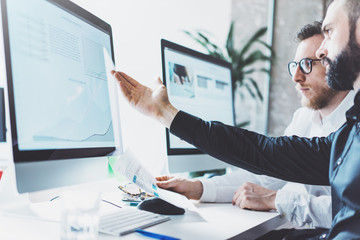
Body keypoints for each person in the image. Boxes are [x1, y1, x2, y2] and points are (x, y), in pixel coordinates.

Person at [112, 0, 360, 238]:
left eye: (330, 31)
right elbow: (267, 159)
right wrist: (200, 187)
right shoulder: (346, 130)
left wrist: (278, 199)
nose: (322, 51)